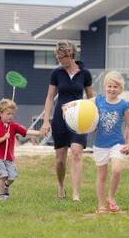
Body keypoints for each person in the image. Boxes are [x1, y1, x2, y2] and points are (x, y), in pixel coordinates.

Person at [40, 40, 94, 201]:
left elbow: (91, 98)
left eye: (61, 57)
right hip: (60, 120)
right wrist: (46, 121)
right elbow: (50, 98)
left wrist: (93, 118)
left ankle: (76, 194)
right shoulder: (56, 73)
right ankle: (61, 185)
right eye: (57, 57)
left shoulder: (85, 74)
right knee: (60, 161)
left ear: (70, 55)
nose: (59, 60)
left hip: (79, 119)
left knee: (77, 153)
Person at [90, 71, 129, 214]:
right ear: (104, 86)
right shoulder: (98, 100)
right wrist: (68, 106)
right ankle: (101, 205)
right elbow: (82, 105)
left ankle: (111, 197)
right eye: (110, 86)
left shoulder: (124, 105)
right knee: (101, 176)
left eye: (115, 87)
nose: (112, 89)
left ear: (120, 89)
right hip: (100, 144)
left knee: (116, 170)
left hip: (117, 143)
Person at [0, 98, 40, 201]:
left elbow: (26, 131)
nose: (11, 116)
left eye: (12, 114)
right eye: (8, 114)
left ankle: (6, 186)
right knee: (3, 175)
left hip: (9, 158)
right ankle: (1, 195)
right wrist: (4, 138)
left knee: (12, 177)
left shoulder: (14, 126)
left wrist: (40, 133)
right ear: (0, 113)